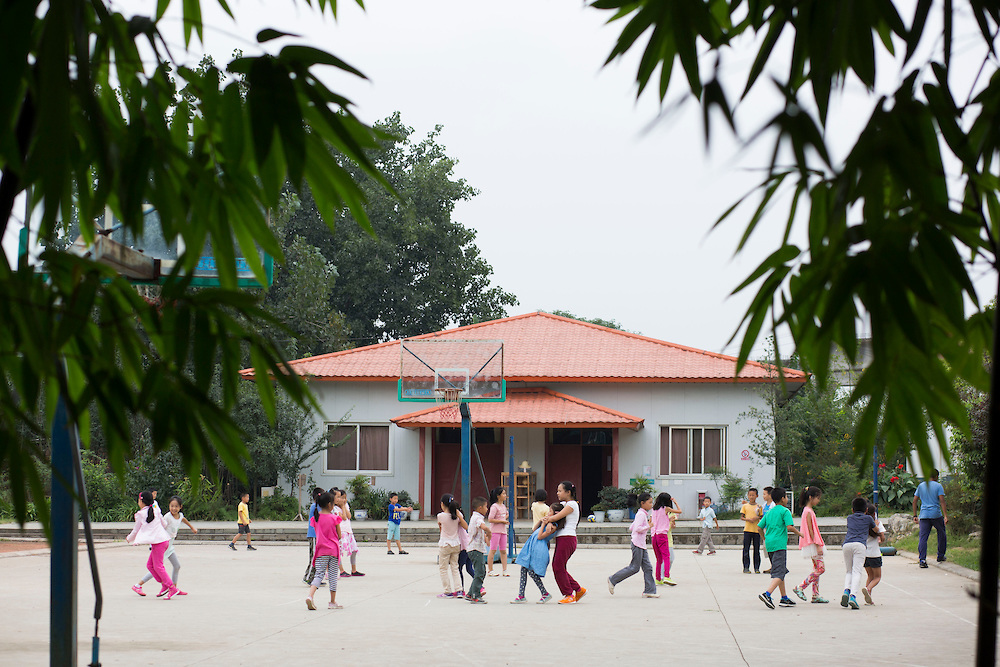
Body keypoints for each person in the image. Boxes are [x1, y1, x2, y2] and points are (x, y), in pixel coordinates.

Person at [134, 495, 197, 597]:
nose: (174, 508)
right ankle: (138, 585)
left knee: (176, 566)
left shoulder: (180, 515)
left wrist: (192, 528)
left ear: (180, 507)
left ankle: (174, 588)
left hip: (170, 545)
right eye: (172, 506)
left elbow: (183, 519)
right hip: (163, 545)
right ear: (169, 506)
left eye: (176, 506)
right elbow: (158, 527)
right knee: (156, 568)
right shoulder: (167, 517)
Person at [126, 490, 182, 599]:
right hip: (163, 541)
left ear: (141, 502)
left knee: (158, 567)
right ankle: (165, 585)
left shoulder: (140, 514)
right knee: (150, 566)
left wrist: (129, 538)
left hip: (159, 542)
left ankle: (171, 587)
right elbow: (164, 523)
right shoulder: (155, 510)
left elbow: (136, 530)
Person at [757, 487, 803, 609]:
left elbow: (759, 527)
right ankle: (767, 594)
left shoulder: (770, 512)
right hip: (779, 545)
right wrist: (801, 534)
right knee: (779, 572)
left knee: (780, 570)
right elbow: (789, 527)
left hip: (770, 544)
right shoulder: (785, 511)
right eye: (786, 497)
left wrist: (764, 538)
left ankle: (784, 598)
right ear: (783, 498)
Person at [541, 480, 587, 604]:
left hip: (567, 538)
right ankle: (578, 589)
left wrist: (548, 520)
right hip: (563, 538)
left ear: (568, 492)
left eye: (560, 491)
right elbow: (553, 512)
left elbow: (556, 516)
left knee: (557, 566)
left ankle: (568, 594)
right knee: (560, 567)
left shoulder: (572, 505)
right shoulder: (564, 504)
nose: (558, 493)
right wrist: (549, 520)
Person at [608, 492, 658, 598]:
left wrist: (645, 525)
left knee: (648, 568)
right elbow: (637, 529)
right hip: (637, 544)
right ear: (642, 503)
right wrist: (648, 526)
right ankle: (613, 579)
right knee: (634, 568)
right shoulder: (641, 514)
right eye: (649, 502)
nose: (651, 505)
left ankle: (650, 590)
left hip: (641, 544)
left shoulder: (642, 514)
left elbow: (632, 527)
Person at [511, 503, 562, 604]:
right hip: (533, 547)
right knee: (524, 569)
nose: (548, 513)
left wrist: (545, 523)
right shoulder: (548, 522)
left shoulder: (553, 525)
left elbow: (540, 536)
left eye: (550, 511)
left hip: (539, 549)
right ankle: (522, 595)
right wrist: (541, 520)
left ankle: (544, 593)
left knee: (531, 571)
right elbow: (534, 529)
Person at [306, 491, 343, 610]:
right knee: (332, 576)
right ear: (329, 504)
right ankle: (332, 602)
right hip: (333, 551)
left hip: (321, 551)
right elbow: (339, 535)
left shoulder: (315, 519)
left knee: (318, 575)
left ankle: (310, 596)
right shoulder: (334, 518)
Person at [792, 486, 828, 603]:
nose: (819, 500)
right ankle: (801, 587)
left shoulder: (807, 511)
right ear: (811, 497)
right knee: (821, 569)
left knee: (817, 568)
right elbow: (811, 530)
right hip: (813, 543)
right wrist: (817, 544)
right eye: (817, 498)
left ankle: (815, 594)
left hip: (812, 543)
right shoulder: (808, 511)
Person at [842, 496, 877, 610]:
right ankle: (853, 597)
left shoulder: (849, 518)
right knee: (857, 572)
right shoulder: (868, 519)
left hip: (847, 544)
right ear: (866, 510)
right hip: (860, 545)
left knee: (849, 571)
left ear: (852, 509)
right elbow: (875, 529)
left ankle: (846, 590)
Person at [912, 468, 948, 567]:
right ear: (936, 477)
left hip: (924, 515)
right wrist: (945, 515)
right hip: (936, 514)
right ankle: (940, 555)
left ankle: (922, 560)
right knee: (941, 533)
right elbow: (942, 501)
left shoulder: (921, 485)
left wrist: (915, 515)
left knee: (923, 537)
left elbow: (915, 500)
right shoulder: (938, 486)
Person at [436, 493, 468, 598]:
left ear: (442, 504)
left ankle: (447, 591)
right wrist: (458, 514)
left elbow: (441, 530)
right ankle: (459, 590)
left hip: (445, 544)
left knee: (443, 568)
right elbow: (465, 526)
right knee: (455, 567)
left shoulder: (440, 516)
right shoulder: (457, 516)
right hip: (456, 544)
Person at [465, 496, 492, 603]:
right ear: (480, 508)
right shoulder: (478, 518)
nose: (487, 509)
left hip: (475, 548)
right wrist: (489, 532)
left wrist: (486, 539)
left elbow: (479, 531)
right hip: (475, 549)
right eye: (486, 507)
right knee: (480, 572)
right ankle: (476, 595)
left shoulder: (474, 517)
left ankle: (470, 593)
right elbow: (483, 527)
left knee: (481, 571)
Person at [651, 492, 680, 586]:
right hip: (662, 535)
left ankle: (658, 578)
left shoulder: (654, 509)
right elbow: (680, 511)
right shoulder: (666, 508)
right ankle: (667, 576)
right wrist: (675, 502)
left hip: (654, 535)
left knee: (659, 559)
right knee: (666, 557)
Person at [333, 488, 363, 576]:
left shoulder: (346, 505)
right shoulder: (334, 508)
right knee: (339, 551)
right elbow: (344, 517)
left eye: (345, 498)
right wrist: (342, 507)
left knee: (354, 550)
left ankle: (353, 570)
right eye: (341, 498)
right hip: (341, 531)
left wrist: (344, 506)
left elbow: (349, 516)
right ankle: (341, 570)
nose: (344, 500)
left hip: (348, 531)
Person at [861, 502, 886, 605]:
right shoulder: (877, 523)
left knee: (870, 576)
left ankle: (869, 598)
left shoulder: (862, 523)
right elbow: (883, 538)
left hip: (864, 554)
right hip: (875, 554)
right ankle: (868, 588)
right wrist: (880, 537)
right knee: (877, 577)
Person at [486, 487, 510, 576]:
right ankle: (490, 570)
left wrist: (504, 519)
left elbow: (506, 514)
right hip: (495, 531)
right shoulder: (494, 507)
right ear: (498, 496)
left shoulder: (503, 506)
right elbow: (490, 519)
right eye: (503, 494)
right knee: (493, 550)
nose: (505, 496)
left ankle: (504, 570)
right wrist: (501, 521)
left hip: (503, 531)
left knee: (503, 551)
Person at [303, 487, 324, 584]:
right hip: (314, 535)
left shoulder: (318, 506)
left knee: (318, 557)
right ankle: (307, 577)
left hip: (318, 535)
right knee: (314, 557)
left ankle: (315, 579)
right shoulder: (315, 506)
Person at [741, 488, 763, 574]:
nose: (751, 497)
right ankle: (746, 567)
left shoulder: (759, 507)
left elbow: (761, 517)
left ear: (757, 496)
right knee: (746, 548)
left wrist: (756, 518)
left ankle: (757, 567)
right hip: (747, 530)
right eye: (750, 495)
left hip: (756, 530)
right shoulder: (745, 506)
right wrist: (748, 519)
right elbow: (742, 517)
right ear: (748, 496)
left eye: (753, 495)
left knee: (756, 549)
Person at [761, 486, 775, 573]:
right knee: (766, 547)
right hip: (765, 528)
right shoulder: (763, 506)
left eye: (764, 494)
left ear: (770, 495)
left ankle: (775, 566)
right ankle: (772, 565)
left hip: (771, 529)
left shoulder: (773, 505)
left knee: (772, 547)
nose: (763, 496)